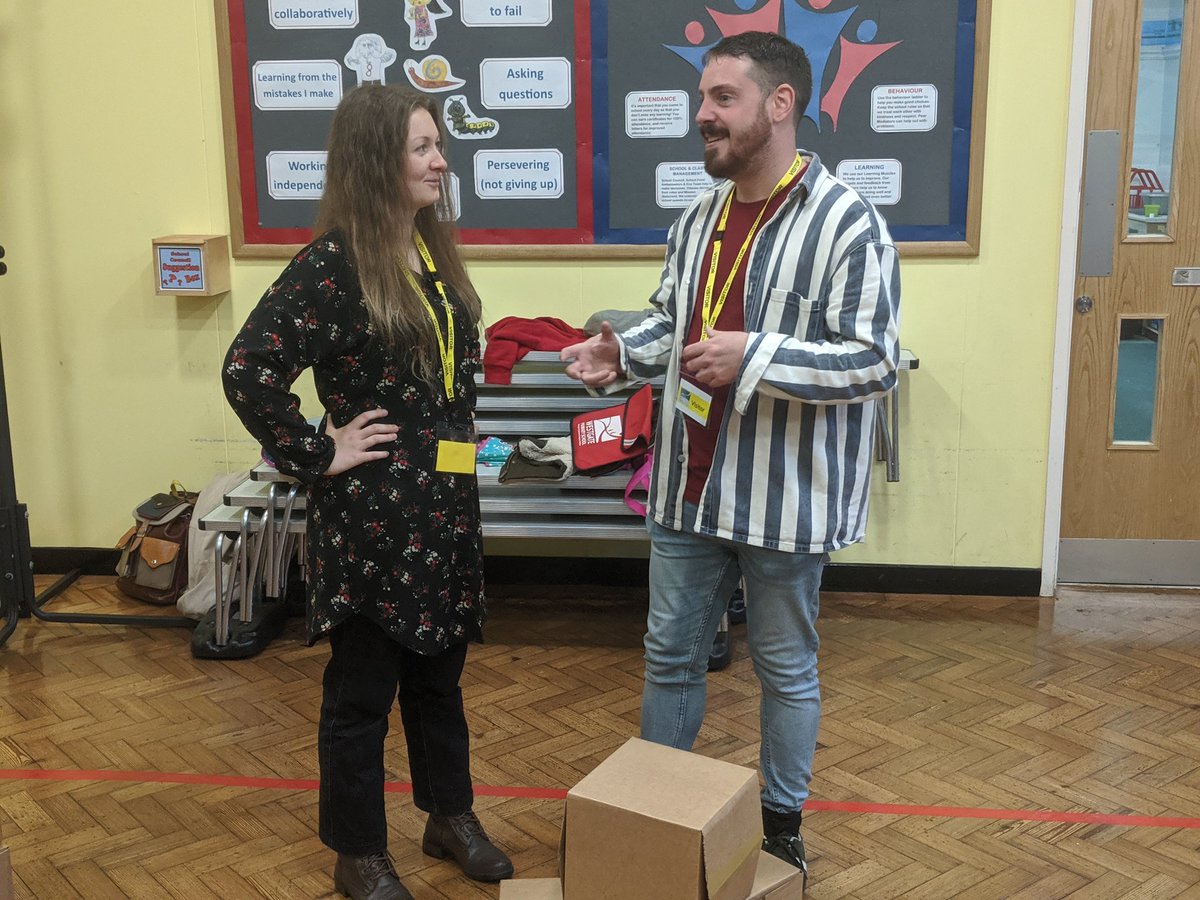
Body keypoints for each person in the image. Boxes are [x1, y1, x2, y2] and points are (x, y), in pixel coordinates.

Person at [560, 31, 900, 887]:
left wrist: (753, 355)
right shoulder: (698, 219)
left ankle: (781, 825)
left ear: (779, 104)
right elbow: (670, 320)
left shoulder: (846, 223)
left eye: (721, 99)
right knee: (670, 657)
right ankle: (653, 813)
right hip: (687, 487)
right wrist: (618, 350)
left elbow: (872, 361)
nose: (701, 116)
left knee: (786, 668)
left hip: (783, 501)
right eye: (701, 100)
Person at [223, 85, 512, 900]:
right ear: (376, 160)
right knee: (362, 694)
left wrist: (483, 455)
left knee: (439, 679)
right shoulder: (333, 263)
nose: (439, 160)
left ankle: (447, 814)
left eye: (437, 145)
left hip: (445, 509)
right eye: (421, 147)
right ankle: (358, 853)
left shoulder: (428, 251)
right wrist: (320, 450)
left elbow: (444, 390)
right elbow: (248, 368)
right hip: (374, 520)